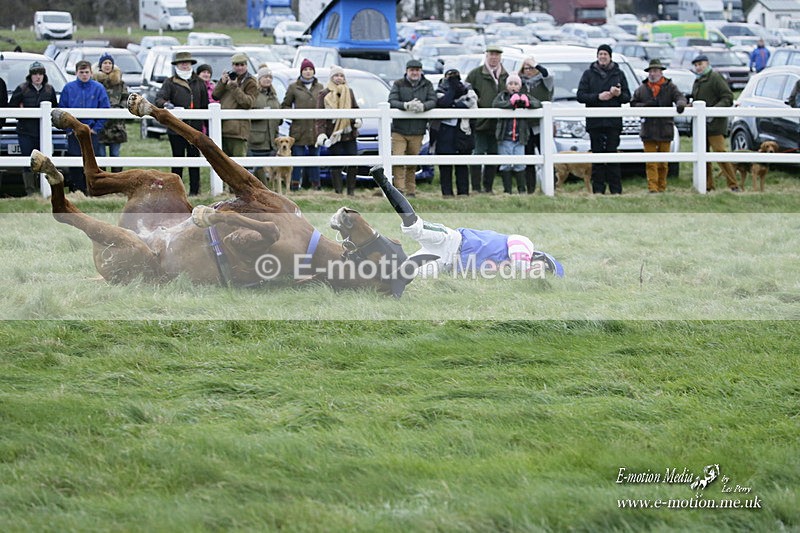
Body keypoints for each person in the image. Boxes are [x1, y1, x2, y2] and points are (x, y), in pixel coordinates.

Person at [371, 166, 563, 278]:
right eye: (543, 267)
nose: (538, 271)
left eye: (543, 273)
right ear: (540, 257)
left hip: (447, 264)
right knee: (415, 227)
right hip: (452, 240)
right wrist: (524, 273)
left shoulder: (506, 275)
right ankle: (384, 182)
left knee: (403, 274)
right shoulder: (524, 245)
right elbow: (519, 264)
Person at [577, 44, 631, 195]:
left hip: (613, 122)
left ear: (610, 56)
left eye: (605, 54)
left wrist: (618, 94)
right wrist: (598, 97)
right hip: (595, 122)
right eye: (600, 54)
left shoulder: (619, 74)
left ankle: (616, 190)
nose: (602, 57)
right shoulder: (588, 74)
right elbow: (580, 95)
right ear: (597, 56)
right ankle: (598, 190)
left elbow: (627, 97)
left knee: (613, 156)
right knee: (597, 157)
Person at [155, 51, 209, 195]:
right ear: (177, 65)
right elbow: (159, 99)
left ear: (191, 64)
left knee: (194, 159)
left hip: (195, 129)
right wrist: (166, 104)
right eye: (181, 62)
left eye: (187, 62)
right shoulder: (169, 82)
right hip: (176, 128)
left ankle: (195, 191)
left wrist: (207, 128)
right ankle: (175, 191)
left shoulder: (199, 82)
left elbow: (205, 105)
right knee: (177, 160)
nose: (184, 65)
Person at [630, 59, 687, 193]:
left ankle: (662, 186)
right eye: (650, 71)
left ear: (661, 72)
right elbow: (633, 103)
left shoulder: (670, 87)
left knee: (663, 162)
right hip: (648, 130)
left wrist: (680, 104)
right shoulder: (642, 88)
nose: (652, 74)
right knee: (650, 162)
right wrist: (645, 106)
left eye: (655, 71)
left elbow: (680, 97)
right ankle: (653, 187)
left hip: (665, 129)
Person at [689, 54, 739, 192]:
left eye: (700, 64)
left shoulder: (715, 77)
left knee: (720, 153)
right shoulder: (697, 81)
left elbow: (727, 97)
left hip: (715, 124)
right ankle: (708, 185)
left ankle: (733, 184)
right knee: (702, 156)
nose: (698, 67)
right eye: (696, 65)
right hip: (701, 125)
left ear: (707, 63)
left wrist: (713, 111)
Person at [59, 60, 110, 194]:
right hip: (74, 133)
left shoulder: (98, 88)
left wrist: (96, 129)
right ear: (76, 73)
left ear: (91, 73)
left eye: (87, 72)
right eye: (81, 72)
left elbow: (105, 110)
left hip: (91, 132)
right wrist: (69, 129)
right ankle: (77, 190)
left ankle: (94, 190)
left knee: (92, 161)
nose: (84, 75)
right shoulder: (68, 88)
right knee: (75, 161)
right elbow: (63, 110)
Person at [388, 59, 436, 197]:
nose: (414, 73)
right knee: (398, 160)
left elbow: (433, 100)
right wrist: (405, 105)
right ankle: (399, 190)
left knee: (412, 162)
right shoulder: (398, 83)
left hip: (418, 129)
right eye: (412, 70)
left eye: (417, 70)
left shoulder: (427, 84)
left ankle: (411, 190)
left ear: (421, 71)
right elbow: (391, 101)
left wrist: (423, 106)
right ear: (407, 71)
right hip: (399, 129)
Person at [9, 61, 58, 196]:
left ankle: (45, 189)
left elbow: (54, 108)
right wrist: (21, 111)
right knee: (28, 161)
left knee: (44, 161)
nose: (38, 76)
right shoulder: (22, 89)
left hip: (43, 132)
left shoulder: (49, 90)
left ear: (44, 75)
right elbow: (11, 107)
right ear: (30, 75)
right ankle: (30, 191)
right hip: (25, 131)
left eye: (40, 73)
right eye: (35, 73)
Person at [466, 45, 509, 194]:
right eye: (492, 54)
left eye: (497, 55)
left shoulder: (506, 75)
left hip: (499, 124)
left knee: (493, 154)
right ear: (486, 55)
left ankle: (488, 187)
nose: (494, 57)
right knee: (477, 153)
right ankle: (476, 188)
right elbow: (467, 93)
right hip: (480, 122)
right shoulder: (475, 74)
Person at [315, 65, 362, 196]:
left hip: (349, 133)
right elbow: (320, 116)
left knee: (353, 161)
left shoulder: (349, 91)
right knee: (336, 163)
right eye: (336, 75)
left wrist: (357, 119)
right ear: (331, 77)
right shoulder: (324, 94)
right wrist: (321, 133)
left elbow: (355, 108)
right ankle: (338, 192)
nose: (339, 78)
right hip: (333, 134)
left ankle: (351, 191)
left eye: (341, 75)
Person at [492, 73, 540, 194]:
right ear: (506, 85)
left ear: (520, 86)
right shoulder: (502, 96)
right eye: (510, 84)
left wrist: (527, 104)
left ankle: (521, 190)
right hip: (505, 137)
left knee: (520, 164)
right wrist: (511, 104)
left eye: (516, 84)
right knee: (505, 164)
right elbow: (495, 104)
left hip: (520, 138)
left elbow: (537, 103)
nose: (513, 86)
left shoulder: (525, 96)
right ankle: (507, 190)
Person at [432, 68, 477, 197]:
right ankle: (447, 193)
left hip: (463, 130)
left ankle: (463, 192)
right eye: (450, 77)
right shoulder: (439, 90)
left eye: (455, 76)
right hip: (444, 131)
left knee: (462, 162)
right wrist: (452, 90)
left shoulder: (467, 88)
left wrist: (454, 104)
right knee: (445, 164)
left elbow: (471, 103)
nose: (453, 79)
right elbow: (443, 103)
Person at [281, 58, 324, 191]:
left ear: (314, 71)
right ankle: (294, 185)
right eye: (305, 69)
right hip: (298, 129)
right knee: (297, 159)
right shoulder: (293, 87)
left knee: (315, 158)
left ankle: (315, 185)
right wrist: (294, 114)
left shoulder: (320, 87)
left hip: (315, 129)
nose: (308, 72)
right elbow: (285, 105)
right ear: (301, 71)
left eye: (310, 69)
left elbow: (324, 106)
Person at [213, 52, 259, 161]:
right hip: (223, 128)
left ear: (246, 65)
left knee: (238, 165)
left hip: (238, 131)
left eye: (242, 65)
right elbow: (215, 95)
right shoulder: (229, 77)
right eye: (236, 65)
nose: (239, 68)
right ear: (232, 66)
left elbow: (248, 103)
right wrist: (222, 83)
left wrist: (234, 87)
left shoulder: (250, 82)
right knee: (222, 164)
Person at [519, 56, 553, 194]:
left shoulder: (545, 81)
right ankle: (530, 189)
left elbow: (547, 74)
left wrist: (536, 64)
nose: (528, 71)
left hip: (541, 126)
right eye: (526, 68)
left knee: (547, 156)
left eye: (531, 68)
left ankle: (550, 186)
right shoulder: (519, 83)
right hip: (525, 126)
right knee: (529, 158)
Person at [93, 52, 128, 173]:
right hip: (100, 123)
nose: (107, 65)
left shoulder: (120, 83)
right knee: (100, 154)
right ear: (100, 65)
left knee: (115, 154)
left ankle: (117, 179)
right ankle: (103, 178)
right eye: (105, 63)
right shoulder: (95, 82)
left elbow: (126, 98)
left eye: (109, 63)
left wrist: (120, 109)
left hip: (116, 124)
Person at [248, 66, 282, 186]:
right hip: (257, 138)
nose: (268, 79)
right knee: (258, 168)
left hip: (272, 138)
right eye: (265, 77)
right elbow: (247, 112)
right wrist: (262, 113)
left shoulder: (274, 95)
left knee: (269, 167)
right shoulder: (254, 94)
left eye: (270, 77)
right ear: (259, 79)